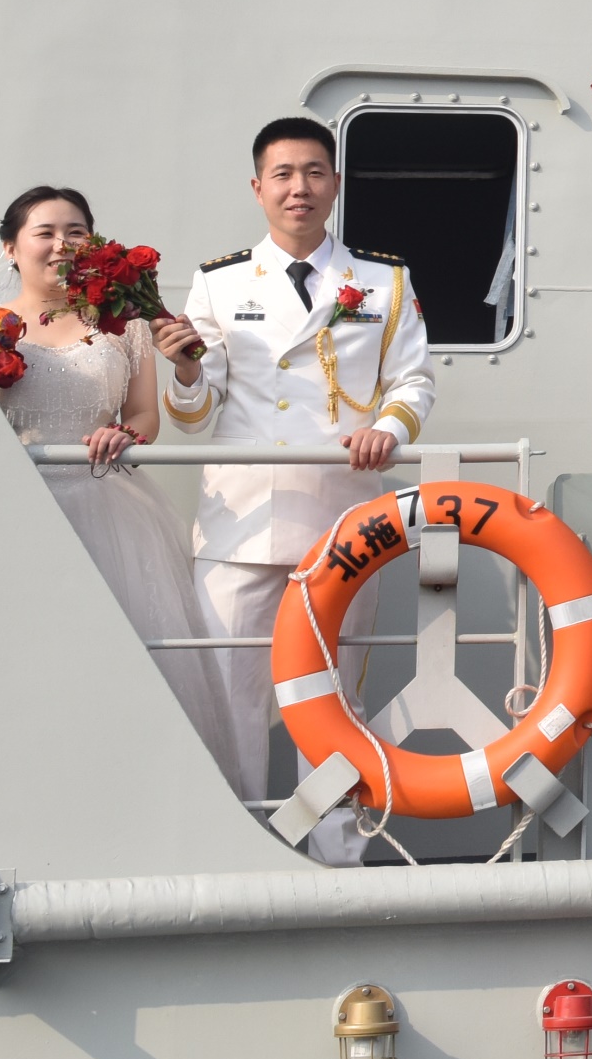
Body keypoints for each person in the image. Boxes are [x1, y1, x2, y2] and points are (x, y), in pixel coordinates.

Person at [157, 117, 429, 861]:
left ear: (335, 183)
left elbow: (413, 382)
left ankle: (335, 856)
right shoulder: (218, 281)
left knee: (333, 700)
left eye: (313, 172)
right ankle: (236, 854)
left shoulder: (383, 279)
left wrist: (389, 430)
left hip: (340, 514)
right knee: (228, 697)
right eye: (282, 174)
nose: (298, 187)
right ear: (258, 187)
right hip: (239, 521)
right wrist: (186, 370)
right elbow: (195, 413)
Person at [0, 183, 252, 794]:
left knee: (121, 661)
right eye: (45, 233)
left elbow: (146, 417)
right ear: (11, 248)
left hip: (110, 511)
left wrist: (122, 434)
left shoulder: (123, 326)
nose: (62, 245)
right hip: (15, 518)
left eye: (76, 233)